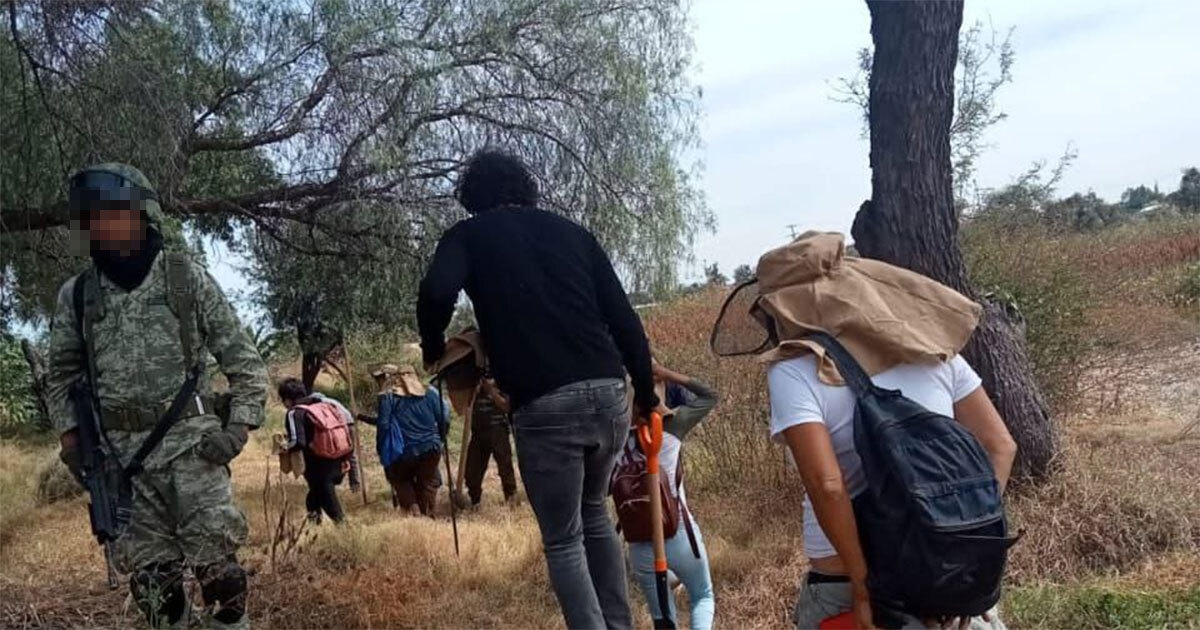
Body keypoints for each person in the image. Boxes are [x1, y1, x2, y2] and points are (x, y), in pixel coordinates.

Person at [418, 149, 659, 629]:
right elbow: (625, 320)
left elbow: (435, 293)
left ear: (475, 197)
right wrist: (647, 395)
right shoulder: (574, 234)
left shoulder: (468, 236)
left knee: (564, 539)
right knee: (594, 513)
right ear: (523, 188)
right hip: (609, 391)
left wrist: (432, 348)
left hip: (545, 405)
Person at [745, 233, 1017, 630]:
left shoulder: (794, 369)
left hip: (846, 583)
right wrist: (958, 549)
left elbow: (829, 484)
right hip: (953, 580)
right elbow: (1001, 445)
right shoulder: (933, 348)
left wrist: (862, 584)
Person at [47, 163, 267, 629]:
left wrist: (238, 429)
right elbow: (62, 376)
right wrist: (74, 444)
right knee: (156, 593)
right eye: (89, 216)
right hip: (122, 465)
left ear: (138, 213)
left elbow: (244, 360)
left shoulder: (186, 279)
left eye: (108, 212)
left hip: (195, 453)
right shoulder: (79, 295)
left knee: (224, 583)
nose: (97, 224)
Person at [619, 360, 718, 630]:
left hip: (638, 544)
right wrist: (670, 374)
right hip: (679, 534)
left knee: (663, 617)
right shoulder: (673, 425)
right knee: (703, 596)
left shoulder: (615, 439)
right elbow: (710, 396)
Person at [357, 364, 449, 516]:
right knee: (427, 483)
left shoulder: (388, 396)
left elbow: (384, 424)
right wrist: (440, 439)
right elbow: (444, 419)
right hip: (430, 447)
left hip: (403, 451)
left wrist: (381, 448)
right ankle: (428, 517)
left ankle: (413, 511)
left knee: (401, 480)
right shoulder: (430, 393)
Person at [279, 378, 353, 524]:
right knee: (312, 500)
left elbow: (298, 442)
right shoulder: (322, 405)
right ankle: (313, 531)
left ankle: (347, 534)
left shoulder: (294, 413)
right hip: (337, 460)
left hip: (317, 466)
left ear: (287, 399)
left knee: (333, 509)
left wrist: (284, 447)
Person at [463, 376, 518, 506]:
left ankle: (511, 502)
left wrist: (491, 391)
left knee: (505, 467)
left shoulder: (503, 380)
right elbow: (464, 405)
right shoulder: (474, 382)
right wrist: (474, 391)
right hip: (478, 431)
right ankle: (475, 502)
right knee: (472, 471)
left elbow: (506, 407)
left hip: (498, 429)